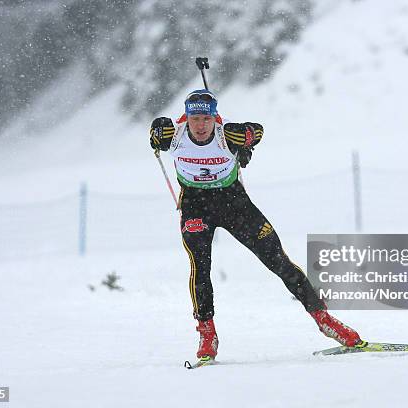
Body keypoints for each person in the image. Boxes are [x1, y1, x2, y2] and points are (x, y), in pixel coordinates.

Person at [149, 89, 363, 359]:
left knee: (278, 260)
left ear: (215, 118)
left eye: (206, 118)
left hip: (233, 203)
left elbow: (258, 131)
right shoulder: (175, 136)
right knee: (200, 267)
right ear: (186, 119)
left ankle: (324, 319)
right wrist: (155, 132)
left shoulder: (225, 135)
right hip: (195, 205)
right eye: (195, 119)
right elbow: (156, 135)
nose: (201, 126)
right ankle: (207, 332)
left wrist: (247, 140)